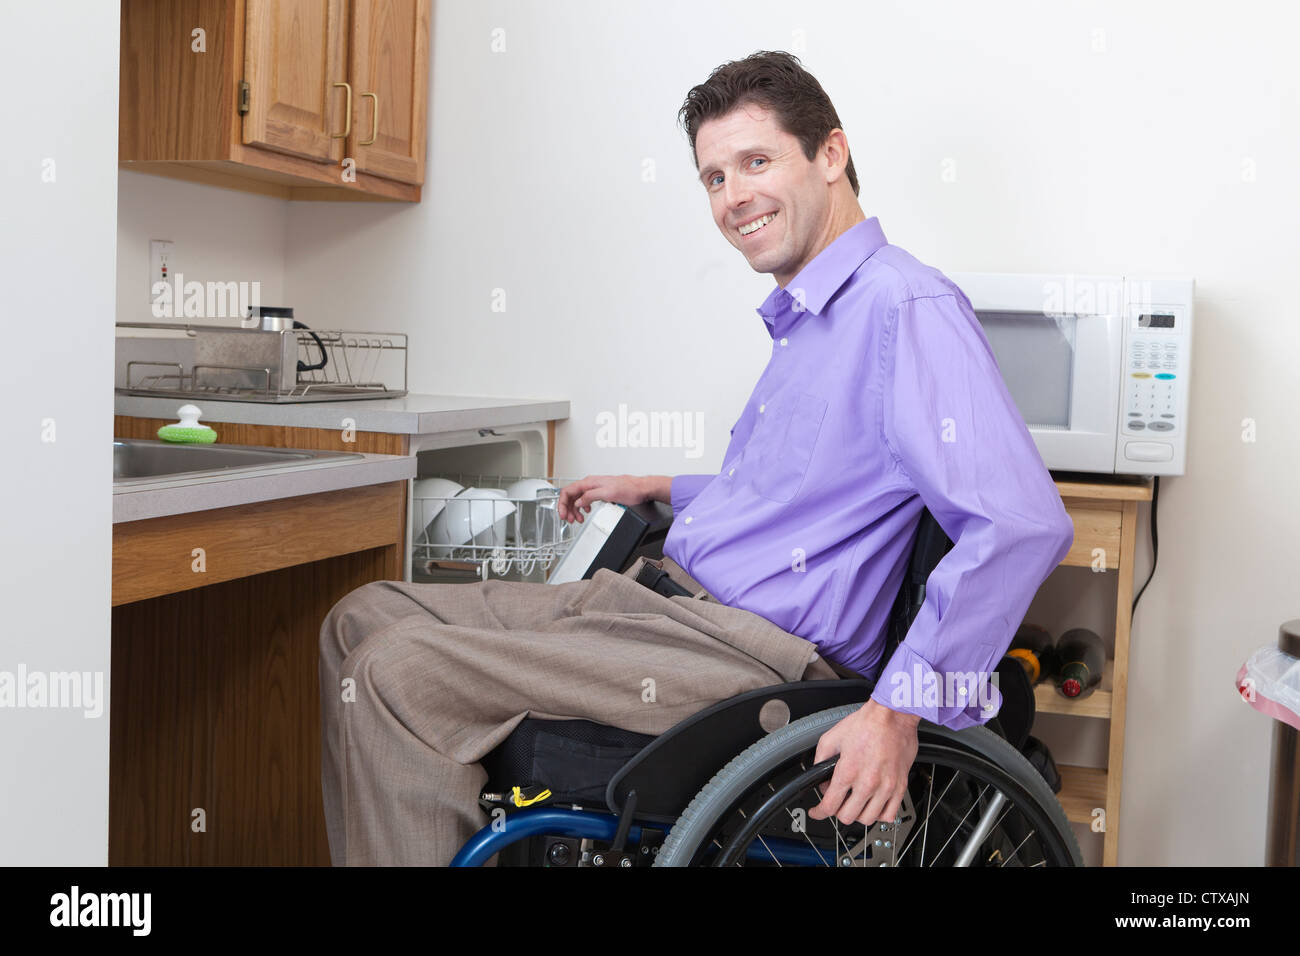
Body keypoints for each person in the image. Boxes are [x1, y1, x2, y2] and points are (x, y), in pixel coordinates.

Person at [319, 50, 1074, 865]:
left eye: (755, 162)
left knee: (398, 675)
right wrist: (664, 485)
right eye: (714, 177)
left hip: (740, 658)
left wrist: (898, 710)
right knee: (357, 619)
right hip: (664, 610)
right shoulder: (817, 311)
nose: (733, 196)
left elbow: (1021, 524)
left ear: (831, 154)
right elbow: (810, 485)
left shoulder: (906, 307)